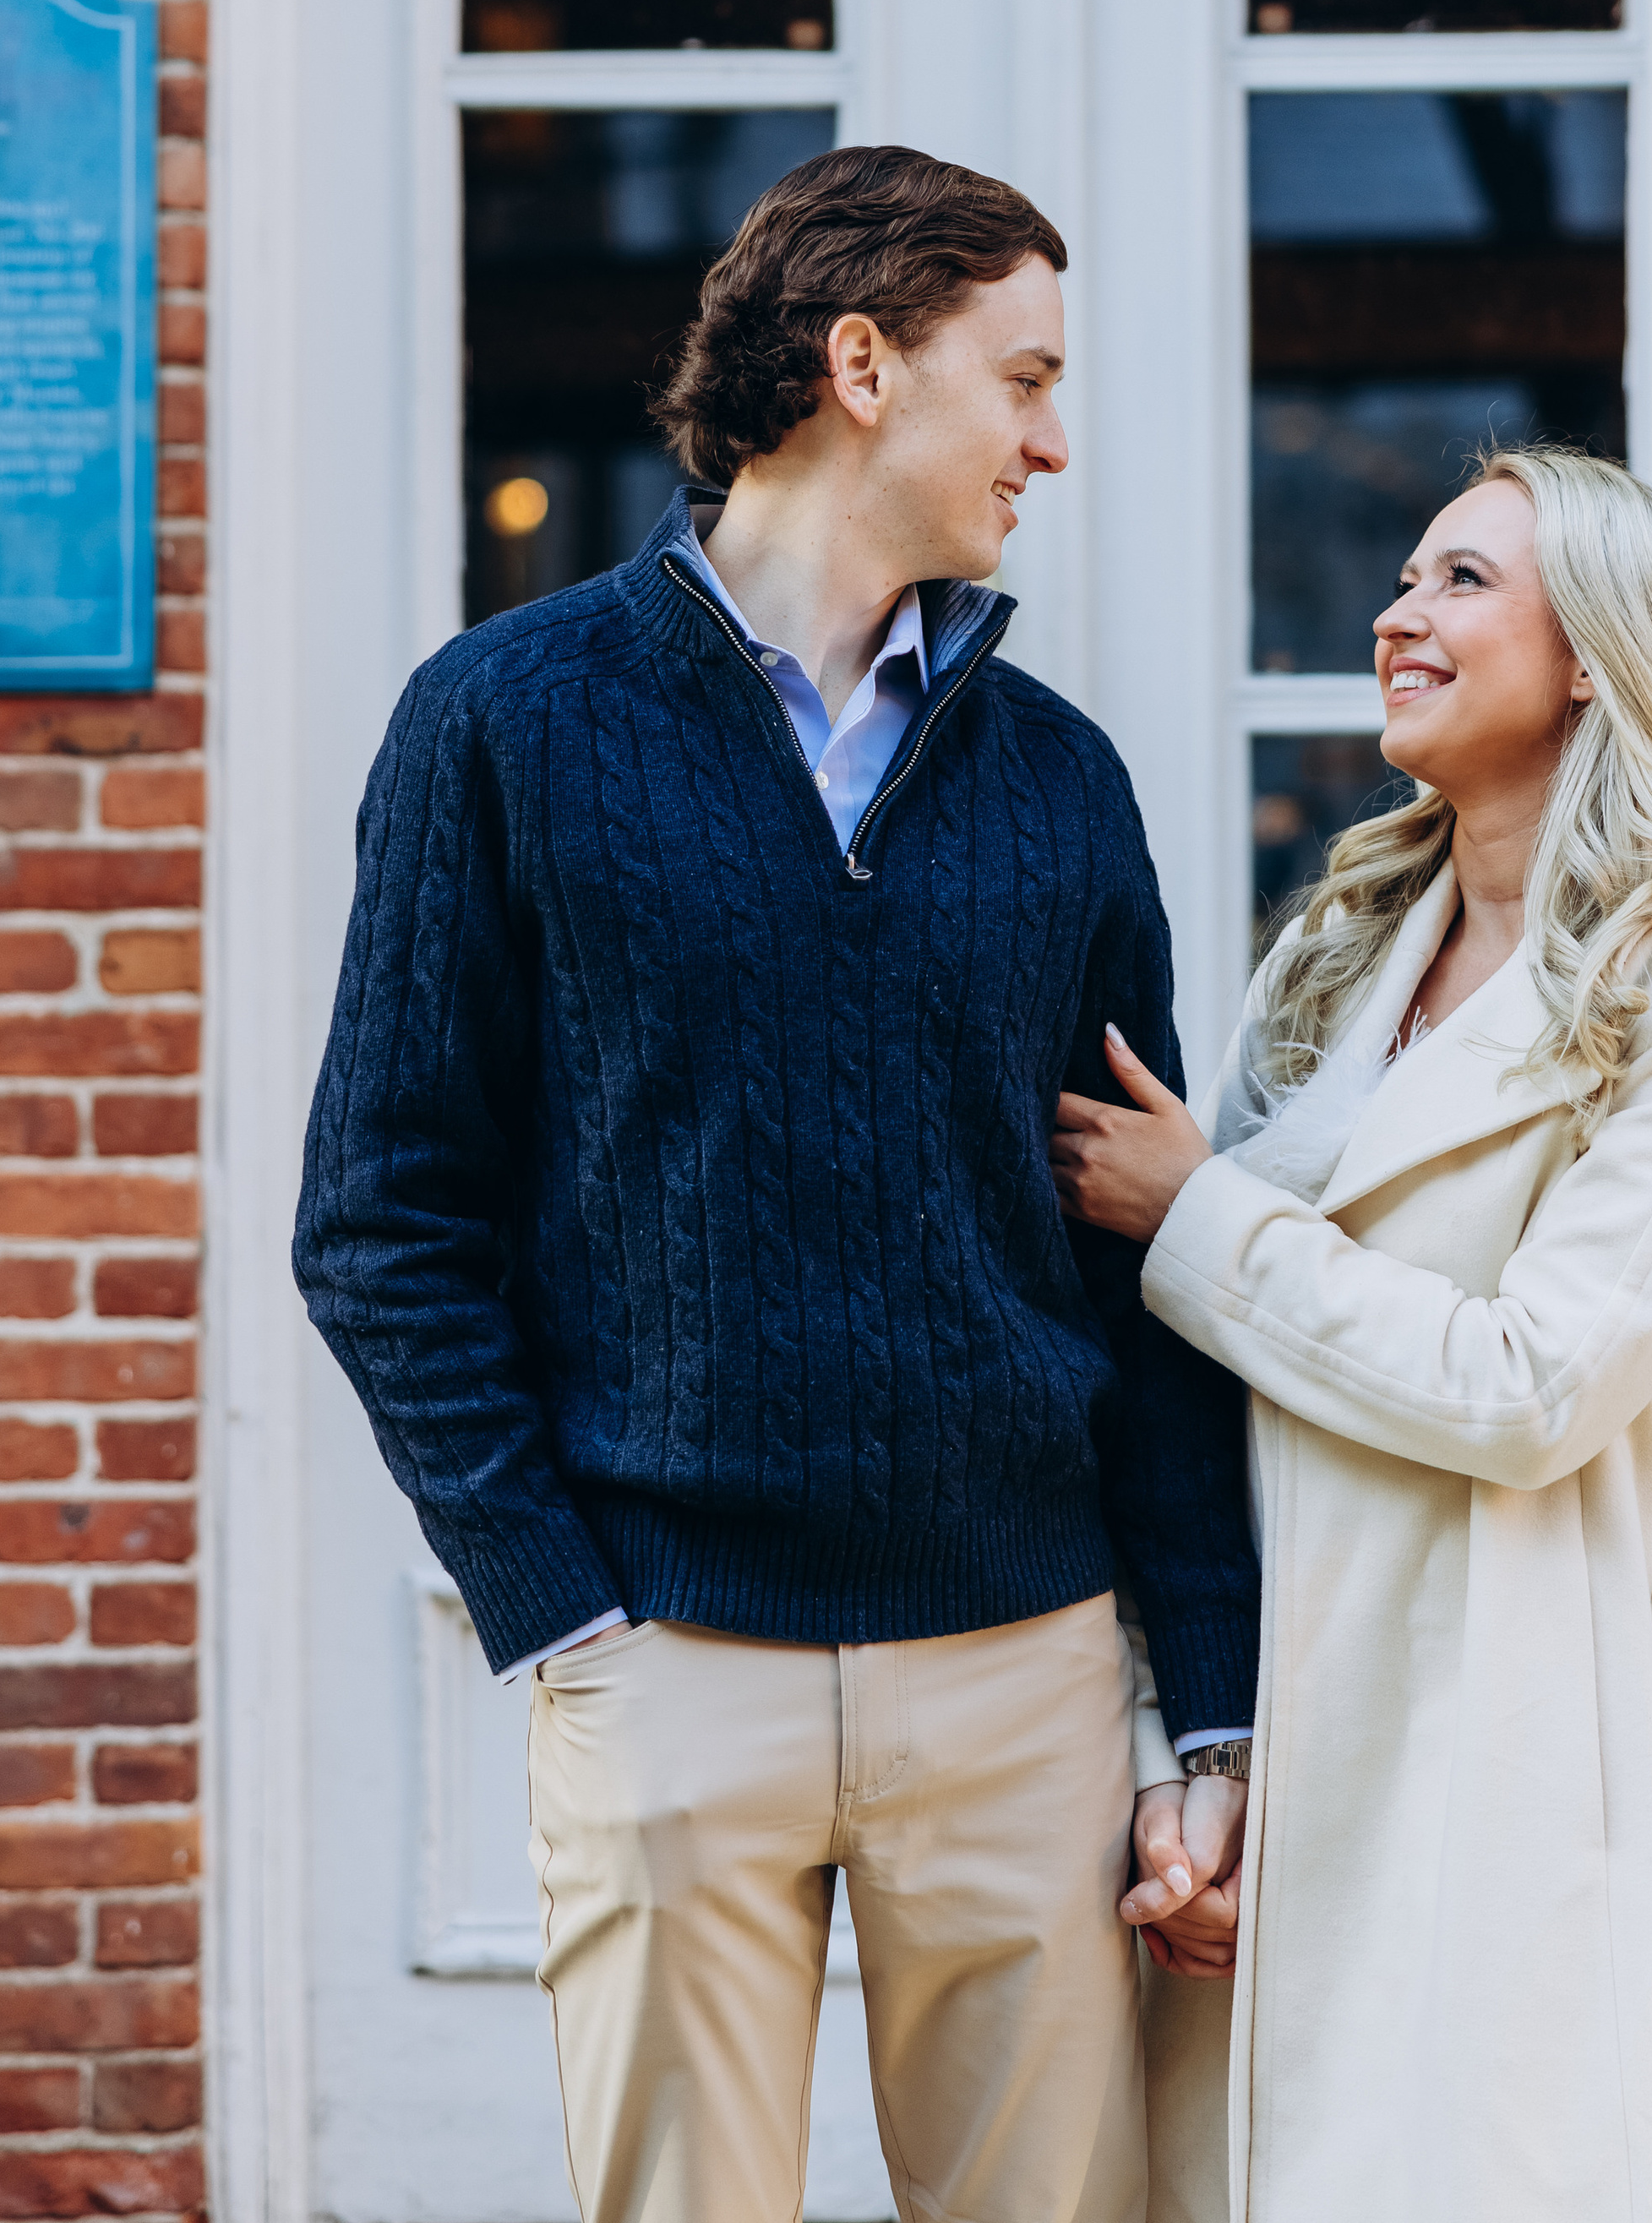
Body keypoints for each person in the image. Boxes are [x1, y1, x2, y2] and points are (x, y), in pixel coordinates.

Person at [293, 144, 1261, 2223]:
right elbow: (379, 1216)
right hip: (668, 1662)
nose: (1053, 435)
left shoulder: (1059, 779)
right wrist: (562, 1604)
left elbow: (1139, 1259)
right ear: (858, 364)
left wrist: (1205, 1700)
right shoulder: (502, 724)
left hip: (1024, 1667)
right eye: (1020, 376)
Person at [1052, 445, 1652, 2223]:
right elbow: (1183, 1384)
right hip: (1270, 1714)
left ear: (1593, 655)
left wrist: (1196, 1210)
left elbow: (1531, 1382)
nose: (1396, 612)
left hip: (1507, 1710)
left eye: (1462, 579)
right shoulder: (1333, 954)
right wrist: (1199, 1744)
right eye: (1404, 575)